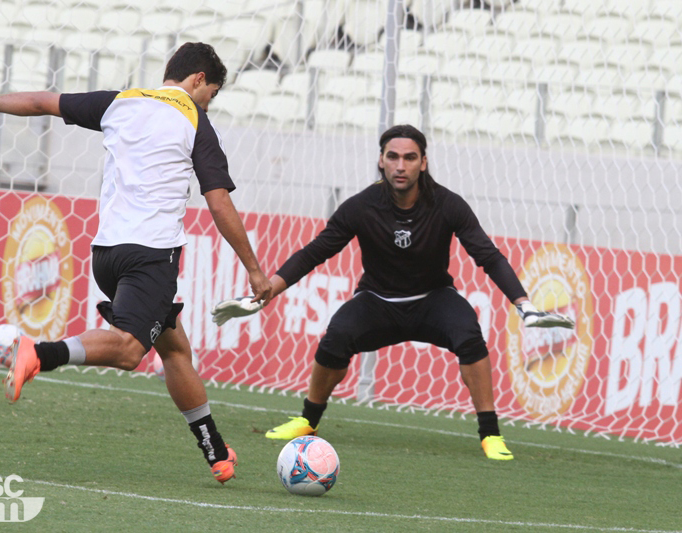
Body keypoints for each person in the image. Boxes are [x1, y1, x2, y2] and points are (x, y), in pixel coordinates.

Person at [0, 42, 272, 483]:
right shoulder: (195, 119)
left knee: (175, 348)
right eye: (211, 93)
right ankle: (39, 352)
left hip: (107, 254)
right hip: (151, 256)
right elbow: (219, 204)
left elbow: (44, 101)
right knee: (128, 350)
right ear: (198, 80)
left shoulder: (121, 101)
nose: (208, 103)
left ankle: (216, 451)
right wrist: (254, 269)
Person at [213, 124, 572, 461]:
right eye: (393, 157)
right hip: (378, 303)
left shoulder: (448, 204)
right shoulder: (362, 205)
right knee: (335, 337)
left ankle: (490, 434)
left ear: (424, 163)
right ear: (381, 161)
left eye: (410, 157)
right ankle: (309, 419)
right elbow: (316, 251)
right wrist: (269, 290)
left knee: (469, 335)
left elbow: (488, 257)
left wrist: (524, 305)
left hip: (433, 299)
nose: (401, 165)